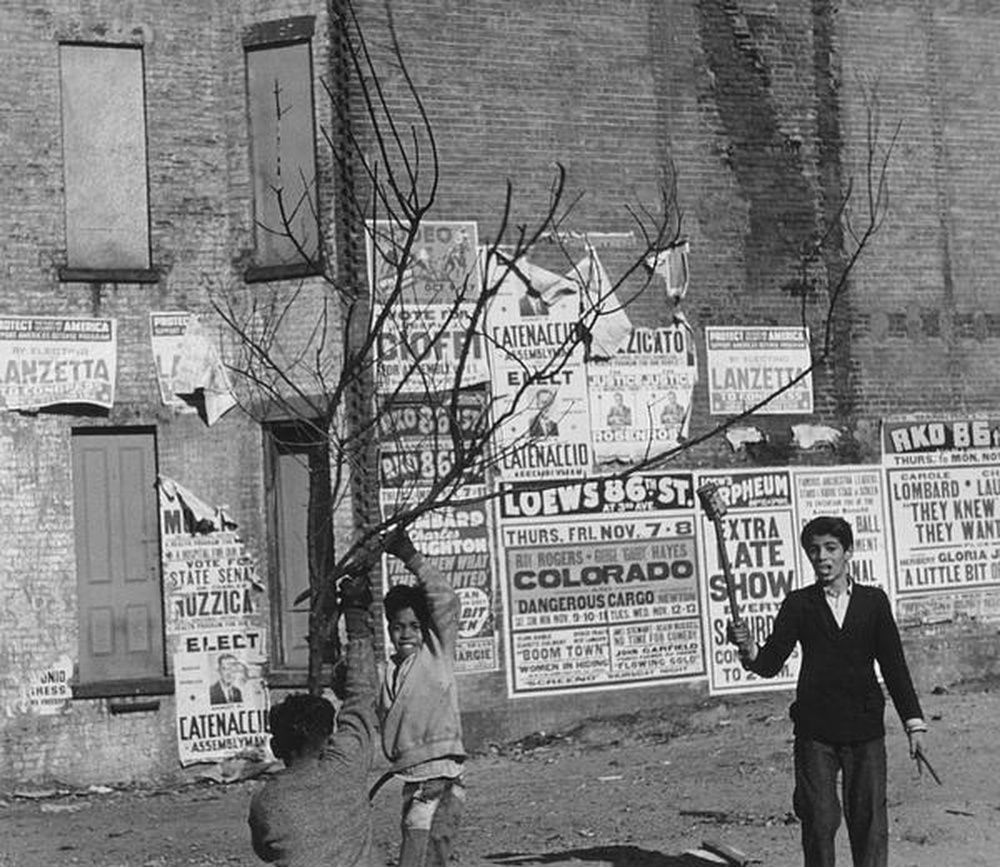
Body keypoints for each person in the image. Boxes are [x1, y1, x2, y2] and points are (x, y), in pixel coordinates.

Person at [727, 516, 928, 867]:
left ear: (848, 553)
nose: (822, 557)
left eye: (831, 548)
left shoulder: (873, 602)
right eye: (814, 550)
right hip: (815, 731)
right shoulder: (798, 604)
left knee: (869, 824)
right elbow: (770, 661)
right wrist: (749, 649)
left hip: (864, 730)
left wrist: (914, 724)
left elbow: (894, 666)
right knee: (819, 822)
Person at [248, 572, 378, 867]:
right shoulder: (347, 765)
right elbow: (360, 697)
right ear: (327, 739)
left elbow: (264, 851)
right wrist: (356, 619)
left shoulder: (266, 801)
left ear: (277, 747)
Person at [377, 528, 467, 867]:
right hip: (411, 776)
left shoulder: (436, 654)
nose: (406, 634)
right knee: (418, 849)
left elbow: (445, 600)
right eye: (398, 626)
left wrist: (408, 555)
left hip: (440, 775)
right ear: (389, 629)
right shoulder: (387, 672)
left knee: (423, 854)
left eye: (415, 626)